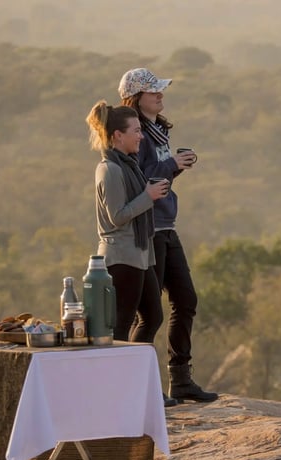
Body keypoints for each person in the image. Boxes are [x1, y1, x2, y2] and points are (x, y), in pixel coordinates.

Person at [118, 68, 218, 403]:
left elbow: (159, 182)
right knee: (150, 314)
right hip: (149, 230)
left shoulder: (158, 130)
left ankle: (181, 378)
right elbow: (140, 178)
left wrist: (176, 165)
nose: (160, 96)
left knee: (186, 299)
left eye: (160, 91)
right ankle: (138, 385)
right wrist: (172, 165)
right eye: (153, 92)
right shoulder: (135, 134)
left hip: (166, 225)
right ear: (136, 98)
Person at [85, 100, 178, 407]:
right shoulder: (109, 169)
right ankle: (122, 392)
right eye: (136, 131)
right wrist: (149, 196)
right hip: (120, 257)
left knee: (152, 316)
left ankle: (136, 386)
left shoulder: (129, 165)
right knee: (122, 325)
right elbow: (117, 216)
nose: (141, 136)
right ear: (116, 136)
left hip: (140, 254)